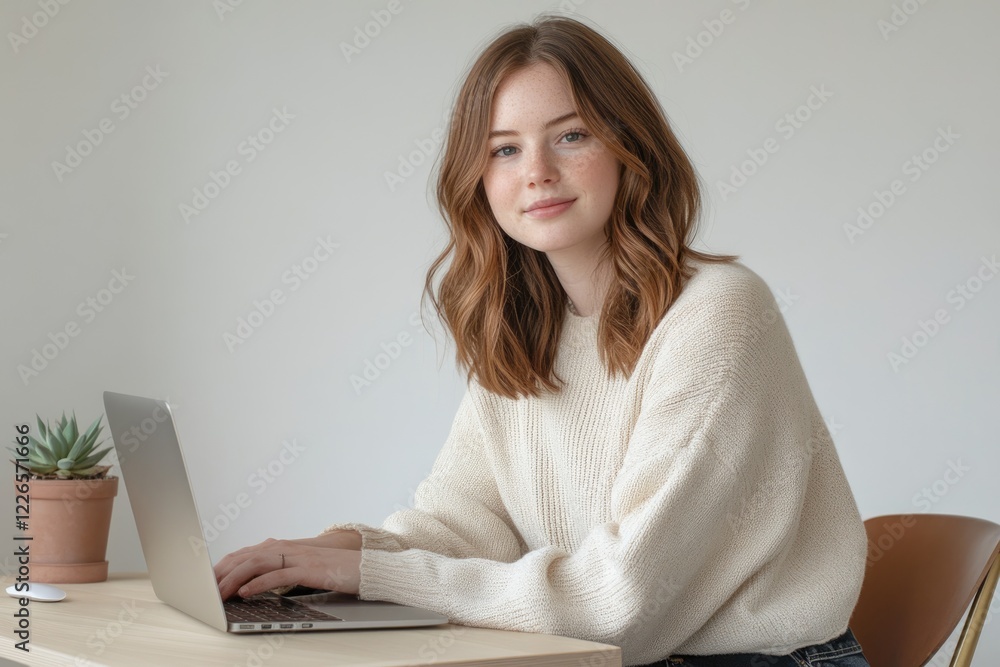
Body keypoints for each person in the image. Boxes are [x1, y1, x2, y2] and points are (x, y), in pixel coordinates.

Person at [214, 14, 872, 667]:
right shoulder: (525, 331)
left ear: (628, 146)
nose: (537, 172)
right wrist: (331, 553)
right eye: (504, 148)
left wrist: (373, 579)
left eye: (572, 135)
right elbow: (466, 526)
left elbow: (623, 604)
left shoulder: (718, 312)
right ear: (479, 178)